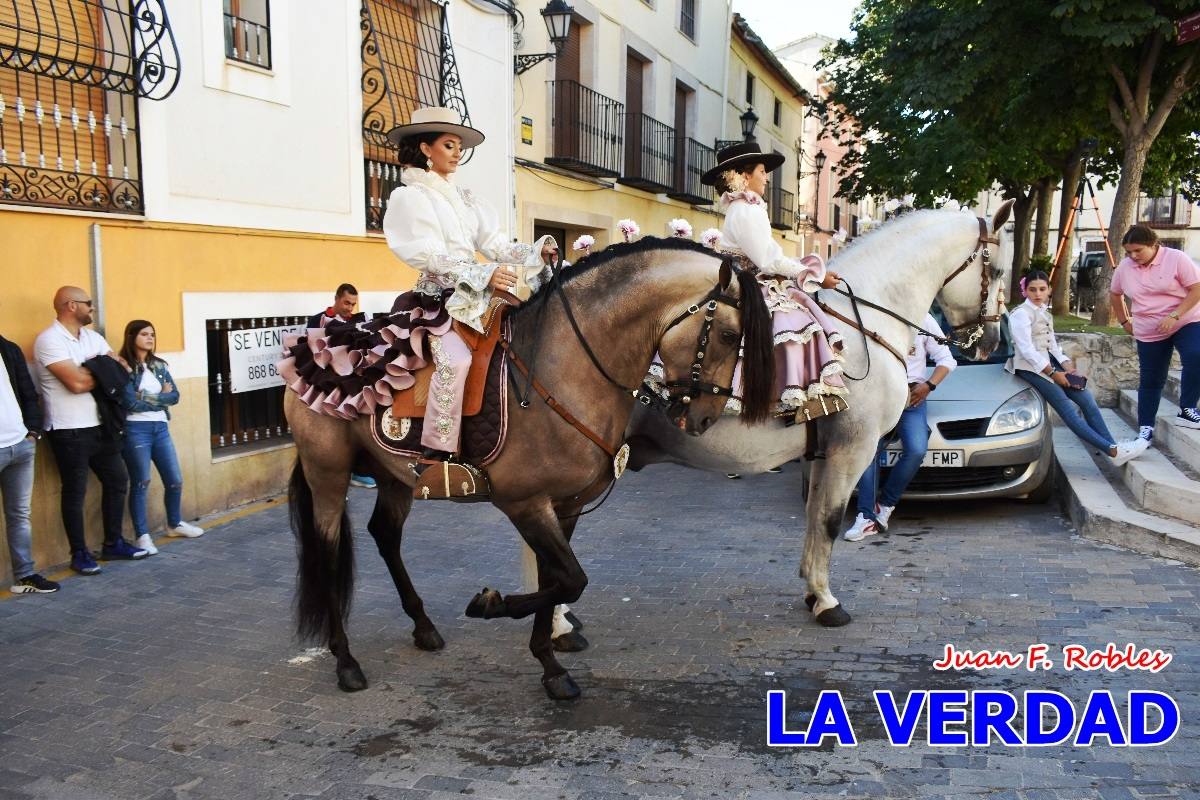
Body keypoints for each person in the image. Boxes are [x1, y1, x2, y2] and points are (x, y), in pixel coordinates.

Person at [697, 141, 847, 480]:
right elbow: (767, 260)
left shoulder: (747, 207)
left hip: (757, 281)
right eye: (763, 172)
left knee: (801, 316)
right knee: (796, 322)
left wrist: (807, 272)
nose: (767, 178)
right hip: (751, 285)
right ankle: (791, 405)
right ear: (743, 175)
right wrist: (815, 274)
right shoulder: (745, 209)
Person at [34, 287, 146, 574]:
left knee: (118, 481)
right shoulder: (49, 340)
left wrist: (95, 370)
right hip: (68, 430)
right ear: (71, 305)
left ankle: (113, 543)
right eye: (89, 304)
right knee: (75, 491)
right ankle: (80, 553)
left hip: (100, 425)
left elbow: (120, 372)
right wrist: (102, 370)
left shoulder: (92, 337)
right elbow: (76, 384)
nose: (92, 309)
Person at [1010, 271, 1148, 465]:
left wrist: (1066, 365)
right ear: (1025, 291)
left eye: (1042, 289)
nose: (1038, 294)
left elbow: (1053, 345)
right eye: (1032, 290)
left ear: (1049, 289)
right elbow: (1026, 350)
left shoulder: (1044, 313)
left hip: (1052, 364)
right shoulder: (1020, 314)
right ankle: (1114, 451)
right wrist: (1053, 373)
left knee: (1087, 399)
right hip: (1031, 368)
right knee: (1068, 410)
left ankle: (1111, 445)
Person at [844, 313, 956, 541]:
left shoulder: (923, 318)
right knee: (868, 451)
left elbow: (946, 359)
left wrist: (929, 386)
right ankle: (865, 517)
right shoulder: (876, 312)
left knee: (916, 450)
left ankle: (885, 505)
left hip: (911, 397)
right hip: (877, 395)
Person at [117, 320, 204, 556]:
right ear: (131, 336)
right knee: (141, 481)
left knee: (174, 479)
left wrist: (146, 396)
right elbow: (129, 402)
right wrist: (158, 397)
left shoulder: (159, 365)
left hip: (161, 427)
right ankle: (142, 536)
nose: (150, 338)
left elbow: (174, 396)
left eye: (152, 334)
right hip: (136, 428)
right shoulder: (124, 367)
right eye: (144, 334)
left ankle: (174, 524)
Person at [1110, 225, 1200, 438]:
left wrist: (1174, 316)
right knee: (1151, 378)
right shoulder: (1125, 267)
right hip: (1148, 328)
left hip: (1185, 319)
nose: (1133, 256)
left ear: (1153, 245)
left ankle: (1187, 409)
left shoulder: (1176, 258)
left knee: (1196, 355)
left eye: (1138, 250)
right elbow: (1115, 294)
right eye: (1128, 252)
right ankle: (1146, 429)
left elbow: (1197, 288)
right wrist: (1124, 321)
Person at [1, 333, 58, 593]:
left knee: (20, 515)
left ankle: (25, 576)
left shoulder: (8, 348)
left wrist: (33, 431)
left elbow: (27, 391)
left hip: (21, 445)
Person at [306, 285, 376, 489]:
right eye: (346, 303)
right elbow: (312, 353)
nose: (350, 308)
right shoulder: (317, 320)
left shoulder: (358, 321)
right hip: (327, 382)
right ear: (336, 299)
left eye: (353, 304)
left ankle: (360, 469)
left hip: (353, 380)